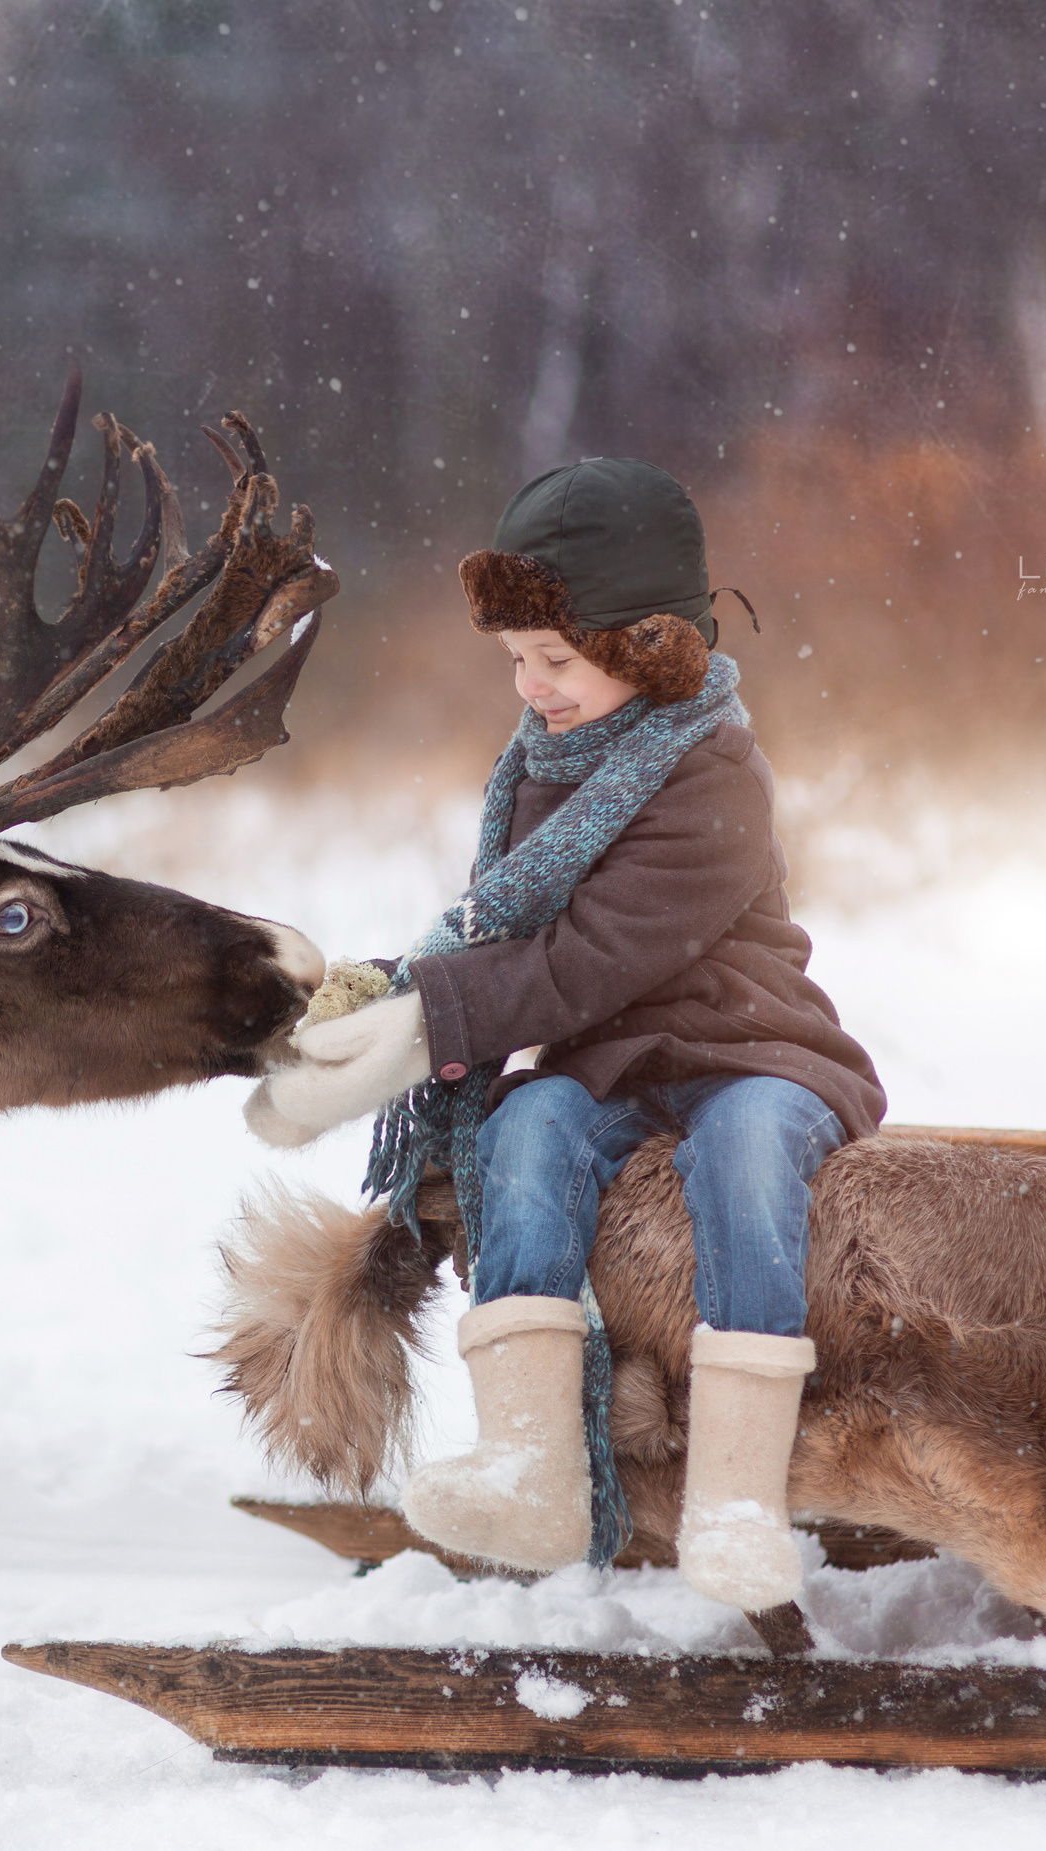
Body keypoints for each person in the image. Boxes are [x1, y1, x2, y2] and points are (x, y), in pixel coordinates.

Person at [245, 458, 884, 1614]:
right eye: (516, 663)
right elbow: (511, 937)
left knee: (746, 1163)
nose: (531, 688)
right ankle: (533, 1461)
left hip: (750, 1053)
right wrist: (388, 991)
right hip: (610, 1065)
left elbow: (588, 958)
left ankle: (737, 1498)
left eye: (556, 660)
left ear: (644, 652)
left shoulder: (711, 772)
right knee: (527, 1123)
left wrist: (424, 1023)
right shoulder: (548, 764)